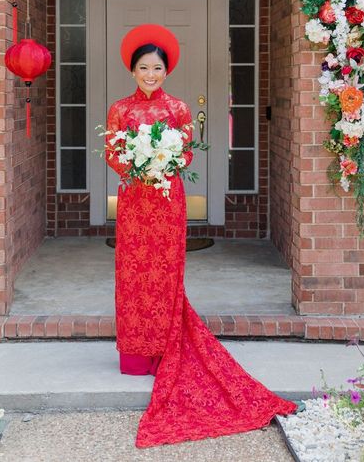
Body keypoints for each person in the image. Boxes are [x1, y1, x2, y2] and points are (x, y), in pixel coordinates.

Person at [105, 24, 296, 448]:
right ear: (132, 70)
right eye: (143, 68)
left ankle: (165, 347)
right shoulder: (120, 109)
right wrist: (137, 167)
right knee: (133, 273)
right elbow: (112, 152)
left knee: (166, 271)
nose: (150, 74)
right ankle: (137, 355)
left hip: (168, 199)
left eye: (157, 67)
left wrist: (164, 163)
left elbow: (187, 150)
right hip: (135, 199)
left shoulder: (178, 108)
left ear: (166, 70)